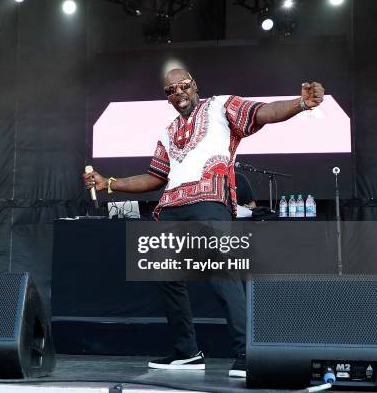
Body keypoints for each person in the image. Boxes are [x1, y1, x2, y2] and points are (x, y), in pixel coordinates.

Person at [84, 68, 324, 378]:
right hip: (170, 207)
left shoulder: (221, 106)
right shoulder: (168, 131)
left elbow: (263, 112)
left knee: (222, 275)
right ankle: (187, 352)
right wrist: (109, 183)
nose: (178, 92)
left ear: (195, 85)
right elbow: (154, 177)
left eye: (183, 85)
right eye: (170, 90)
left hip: (208, 202)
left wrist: (300, 103)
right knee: (166, 278)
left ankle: (248, 351)